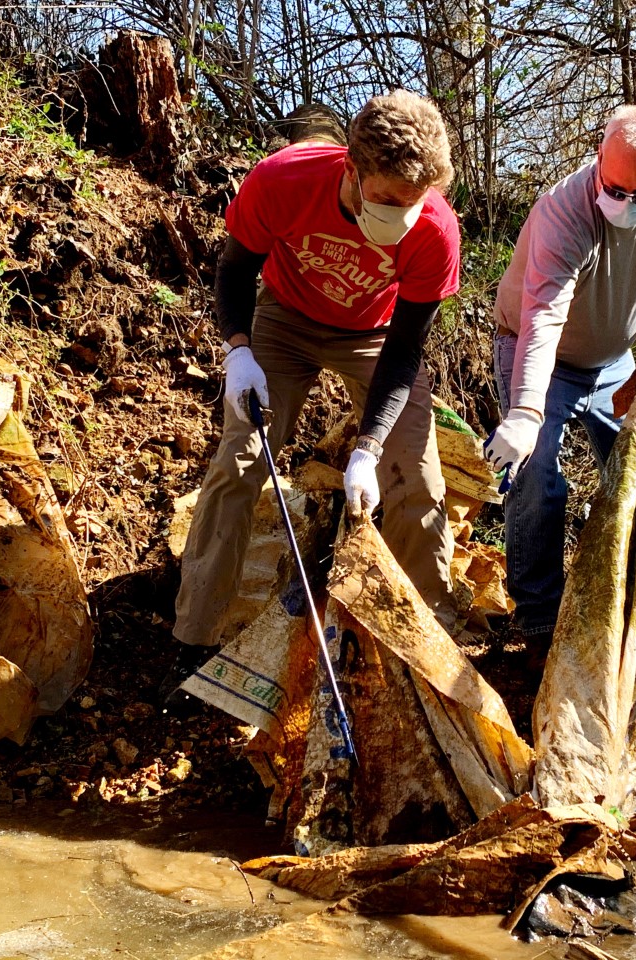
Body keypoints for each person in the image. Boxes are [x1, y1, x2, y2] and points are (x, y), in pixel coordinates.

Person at [163, 91, 461, 698]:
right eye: (386, 200)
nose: (401, 215)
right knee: (239, 462)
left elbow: (405, 350)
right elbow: (234, 270)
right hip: (285, 320)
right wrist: (239, 350)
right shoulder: (284, 180)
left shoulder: (434, 231)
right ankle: (193, 637)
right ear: (350, 166)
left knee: (419, 477)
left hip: (376, 336)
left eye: (413, 202)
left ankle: (424, 646)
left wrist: (368, 448)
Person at [483, 104, 636, 655]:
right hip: (540, 354)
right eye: (616, 188)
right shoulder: (565, 212)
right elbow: (544, 317)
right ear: (598, 159)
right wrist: (527, 412)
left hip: (614, 361)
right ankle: (538, 623)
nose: (626, 204)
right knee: (537, 479)